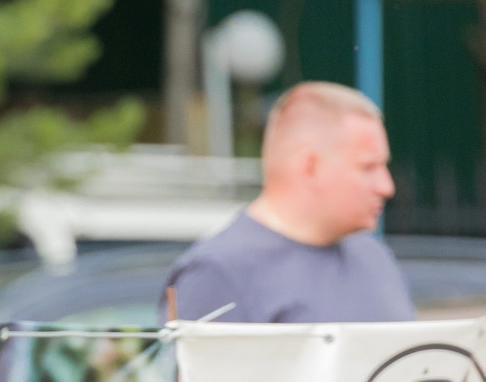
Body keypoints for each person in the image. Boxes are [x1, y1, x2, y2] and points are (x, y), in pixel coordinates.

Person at [161, 82, 416, 324]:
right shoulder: (217, 274)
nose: (386, 187)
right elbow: (195, 371)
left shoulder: (373, 256)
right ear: (311, 166)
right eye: (368, 167)